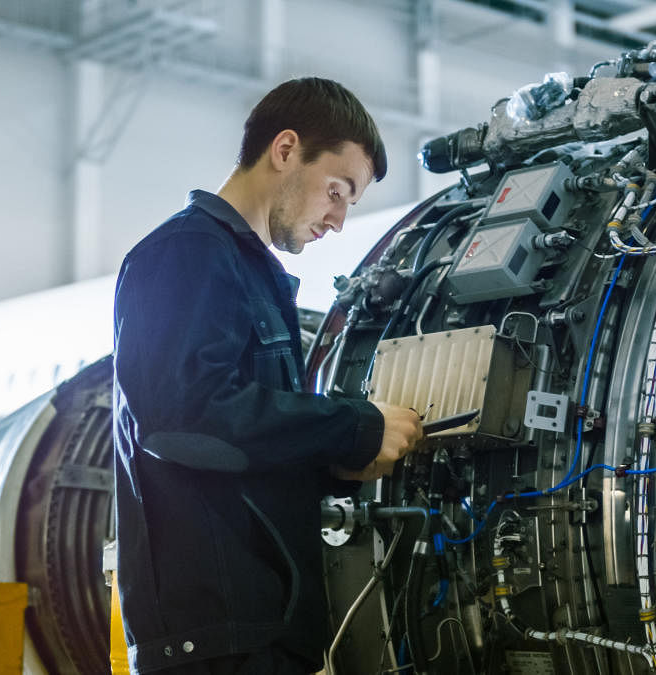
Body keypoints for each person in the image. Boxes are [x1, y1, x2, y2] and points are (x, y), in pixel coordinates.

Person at [112, 78, 424, 674]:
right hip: (216, 639)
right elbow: (184, 418)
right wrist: (351, 427)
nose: (336, 220)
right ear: (284, 150)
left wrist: (336, 465)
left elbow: (248, 442)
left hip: (263, 632)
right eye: (337, 190)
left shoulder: (255, 275)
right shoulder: (185, 253)